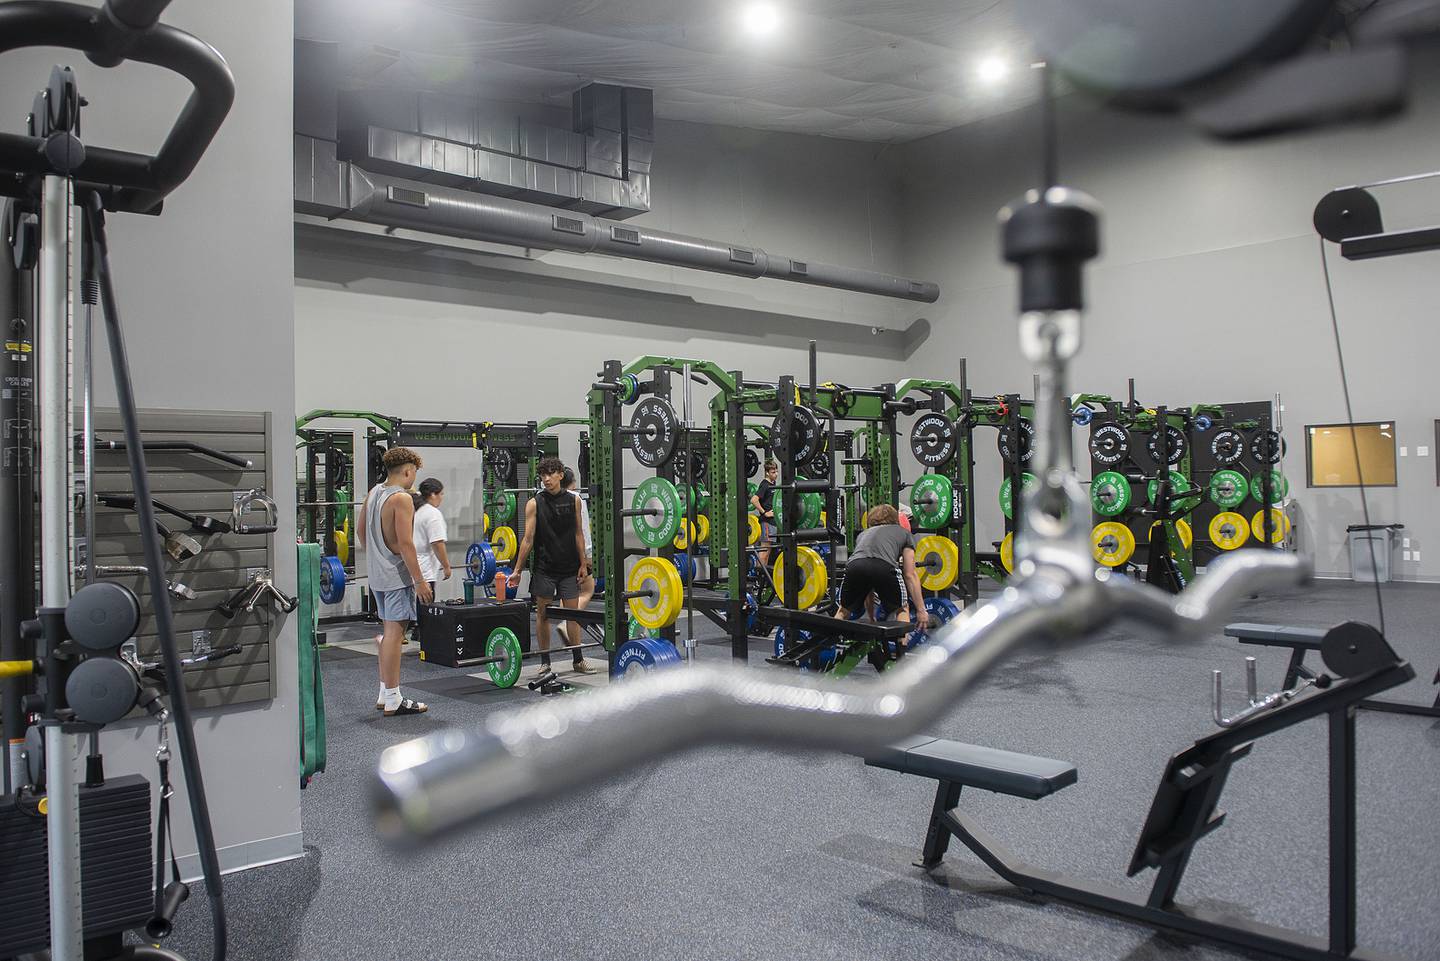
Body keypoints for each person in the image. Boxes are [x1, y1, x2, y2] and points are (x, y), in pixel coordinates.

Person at [355, 446, 433, 716]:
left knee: (388, 634)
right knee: (394, 635)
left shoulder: (374, 492)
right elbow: (406, 543)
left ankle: (384, 692)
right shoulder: (402, 499)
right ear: (408, 471)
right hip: (396, 577)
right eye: (414, 473)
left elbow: (360, 531)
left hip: (377, 576)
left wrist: (377, 556)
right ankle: (393, 699)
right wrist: (420, 581)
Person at [506, 457, 596, 675]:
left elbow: (578, 533)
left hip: (570, 567)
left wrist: (583, 563)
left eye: (550, 474)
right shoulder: (534, 503)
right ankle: (545, 663)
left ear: (560, 475)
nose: (546, 479)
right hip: (544, 568)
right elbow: (527, 539)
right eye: (543, 475)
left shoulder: (574, 500)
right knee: (543, 615)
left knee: (573, 614)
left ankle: (578, 659)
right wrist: (517, 570)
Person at [836, 504, 929, 638]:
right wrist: (921, 610)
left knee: (843, 610)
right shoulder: (904, 533)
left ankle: (830, 647)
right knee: (902, 608)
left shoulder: (863, 535)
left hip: (854, 566)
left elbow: (867, 584)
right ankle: (901, 652)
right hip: (884, 566)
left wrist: (872, 618)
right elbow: (910, 574)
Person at [563, 467, 597, 613]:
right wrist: (588, 556)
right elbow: (583, 530)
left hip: (557, 555)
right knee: (587, 590)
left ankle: (565, 619)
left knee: (566, 592)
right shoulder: (577, 500)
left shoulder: (546, 499)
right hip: (577, 553)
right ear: (572, 482)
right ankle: (567, 622)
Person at [412, 477, 452, 595]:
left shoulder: (416, 510)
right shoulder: (432, 514)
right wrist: (446, 567)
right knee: (425, 610)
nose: (442, 498)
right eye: (441, 494)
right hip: (425, 573)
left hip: (413, 570)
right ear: (433, 495)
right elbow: (437, 543)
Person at [750, 459, 779, 571]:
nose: (775, 474)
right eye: (773, 472)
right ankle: (758, 578)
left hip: (773, 522)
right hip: (767, 523)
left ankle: (763, 578)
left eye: (776, 472)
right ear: (767, 473)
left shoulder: (773, 484)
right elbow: (754, 500)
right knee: (764, 551)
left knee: (767, 552)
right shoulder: (765, 485)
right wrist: (764, 513)